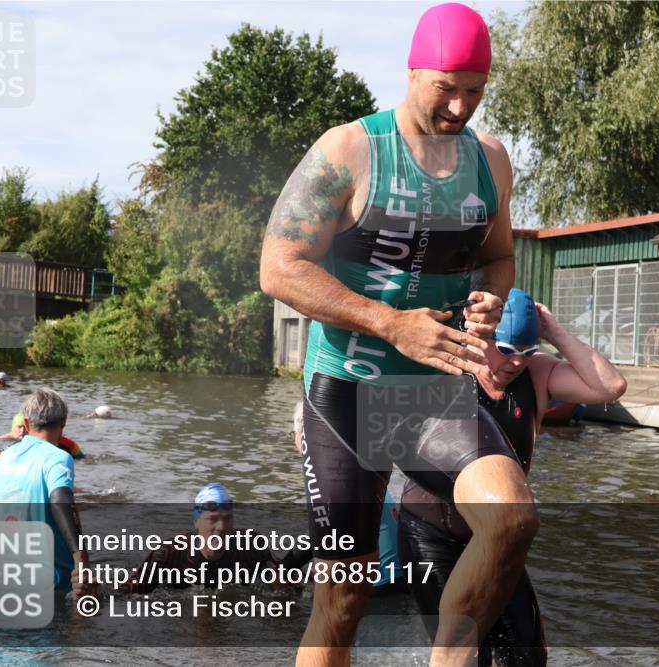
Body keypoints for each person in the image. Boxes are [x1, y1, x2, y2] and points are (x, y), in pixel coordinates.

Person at [259, 4, 530, 664]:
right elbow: (278, 267)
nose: (461, 106)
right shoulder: (351, 149)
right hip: (348, 388)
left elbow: (497, 255)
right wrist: (389, 323)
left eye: (475, 90)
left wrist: (490, 299)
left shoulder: (489, 161)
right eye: (446, 87)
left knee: (512, 516)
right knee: (344, 600)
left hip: (428, 393)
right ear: (412, 72)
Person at [399, 289, 627, 665]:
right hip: (431, 534)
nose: (516, 362)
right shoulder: (448, 367)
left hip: (497, 537)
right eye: (505, 349)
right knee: (465, 651)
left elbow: (611, 387)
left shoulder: (536, 373)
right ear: (479, 335)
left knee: (527, 658)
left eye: (526, 351)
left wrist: (554, 333)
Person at [0, 388, 96, 597]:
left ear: (24, 424)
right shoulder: (58, 458)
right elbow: (60, 501)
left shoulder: (4, 458)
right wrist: (81, 559)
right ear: (64, 422)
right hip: (52, 584)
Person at [291, 402, 405, 597]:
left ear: (306, 432)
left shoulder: (330, 473)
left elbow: (324, 534)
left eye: (292, 434)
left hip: (376, 589)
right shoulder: (349, 465)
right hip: (400, 579)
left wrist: (283, 566)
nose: (294, 440)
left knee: (289, 583)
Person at [117, 483, 309, 595]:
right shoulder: (169, 553)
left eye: (227, 519)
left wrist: (288, 588)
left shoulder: (252, 545)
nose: (221, 528)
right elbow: (125, 592)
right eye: (212, 520)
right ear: (196, 522)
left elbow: (280, 580)